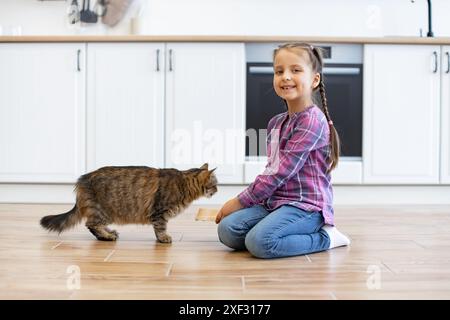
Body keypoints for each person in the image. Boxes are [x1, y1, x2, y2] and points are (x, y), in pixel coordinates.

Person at [215, 42, 350, 259]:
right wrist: (252, 204)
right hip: (276, 202)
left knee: (260, 242)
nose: (285, 76)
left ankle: (327, 238)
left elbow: (280, 173)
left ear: (315, 80)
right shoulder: (276, 123)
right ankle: (274, 229)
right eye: (279, 71)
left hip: (306, 207)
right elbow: (272, 169)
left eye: (295, 70)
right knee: (227, 231)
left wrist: (239, 201)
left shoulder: (312, 121)